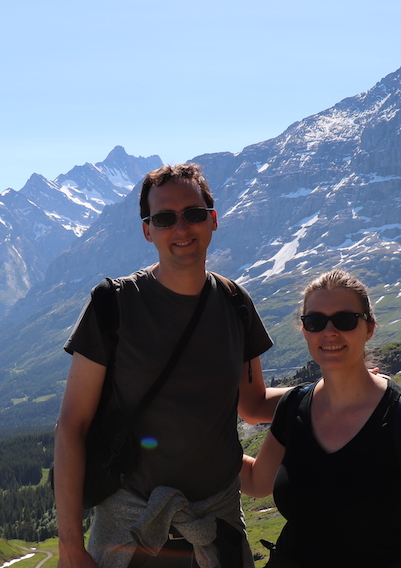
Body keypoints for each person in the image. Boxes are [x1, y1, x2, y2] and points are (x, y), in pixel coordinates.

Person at [54, 163, 287, 568]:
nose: (181, 228)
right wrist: (71, 547)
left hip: (217, 532)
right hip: (129, 534)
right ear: (148, 230)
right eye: (164, 218)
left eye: (193, 214)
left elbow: (253, 405)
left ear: (213, 220)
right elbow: (72, 424)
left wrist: (328, 390)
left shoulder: (237, 305)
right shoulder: (114, 304)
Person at [240, 270, 401, 568]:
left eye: (344, 320)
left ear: (368, 328)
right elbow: (255, 481)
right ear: (304, 331)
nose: (329, 332)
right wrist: (187, 438)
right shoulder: (293, 407)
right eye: (315, 322)